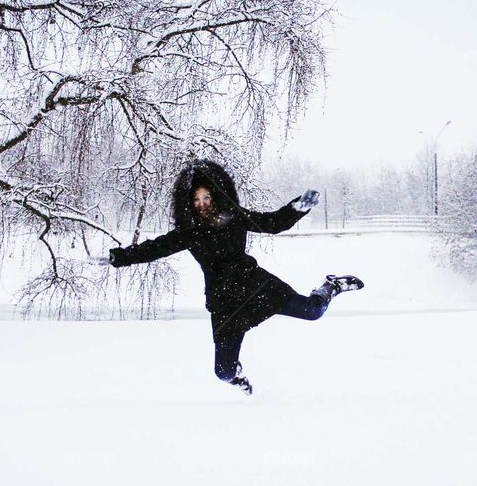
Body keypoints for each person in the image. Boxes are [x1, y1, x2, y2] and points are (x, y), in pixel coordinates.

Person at [106, 159, 364, 395]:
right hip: (225, 303)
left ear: (216, 195)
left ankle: (331, 286)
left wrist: (298, 207)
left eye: (206, 197)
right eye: (196, 200)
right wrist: (120, 257)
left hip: (255, 286)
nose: (202, 204)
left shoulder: (234, 217)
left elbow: (273, 223)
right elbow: (153, 249)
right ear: (188, 203)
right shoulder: (188, 232)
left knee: (312, 312)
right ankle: (239, 376)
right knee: (224, 373)